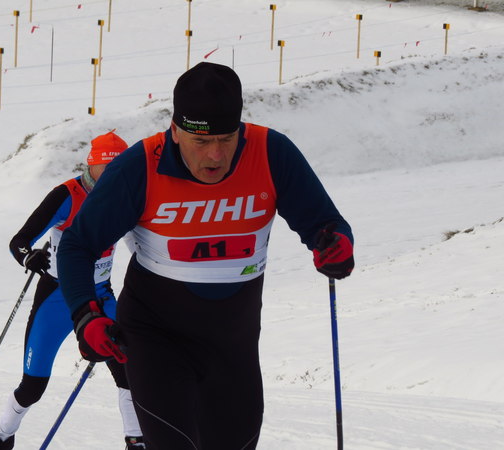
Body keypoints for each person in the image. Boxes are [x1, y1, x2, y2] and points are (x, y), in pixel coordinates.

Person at [57, 62, 355, 449]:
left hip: (234, 344)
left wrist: (334, 246)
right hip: (155, 337)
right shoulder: (141, 167)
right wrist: (85, 315)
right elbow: (77, 245)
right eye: (201, 141)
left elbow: (325, 223)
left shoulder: (270, 152)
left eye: (227, 138)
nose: (215, 154)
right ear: (175, 131)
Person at [0, 131, 144, 450]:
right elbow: (20, 241)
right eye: (107, 168)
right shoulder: (67, 194)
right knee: (33, 387)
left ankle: (136, 441)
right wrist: (29, 257)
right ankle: (3, 437)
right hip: (56, 298)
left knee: (130, 371)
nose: (112, 176)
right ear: (92, 165)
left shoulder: (126, 196)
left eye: (119, 168)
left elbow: (141, 245)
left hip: (101, 295)